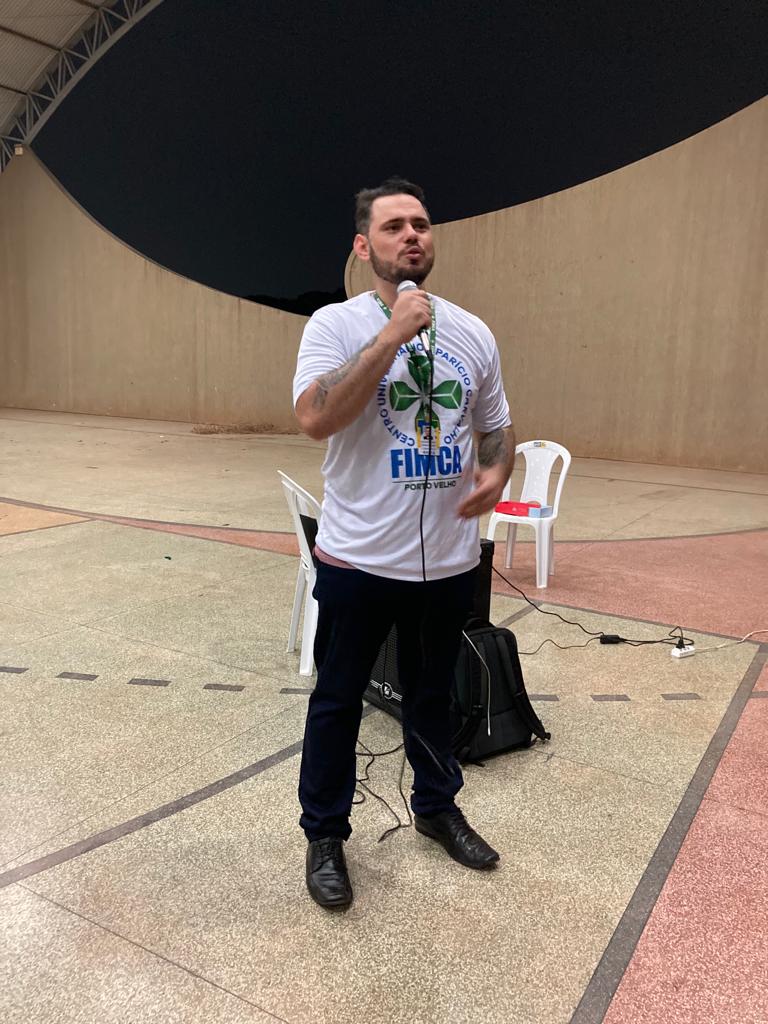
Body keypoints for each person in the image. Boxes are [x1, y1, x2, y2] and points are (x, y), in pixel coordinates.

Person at [292, 177, 515, 909]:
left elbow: (494, 424)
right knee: (338, 700)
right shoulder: (333, 326)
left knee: (431, 694)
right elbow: (316, 418)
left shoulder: (473, 332)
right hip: (359, 558)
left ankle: (437, 807)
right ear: (363, 247)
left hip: (449, 561)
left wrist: (496, 470)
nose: (412, 235)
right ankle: (325, 834)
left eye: (420, 223)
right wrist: (391, 336)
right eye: (393, 227)